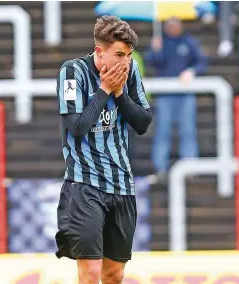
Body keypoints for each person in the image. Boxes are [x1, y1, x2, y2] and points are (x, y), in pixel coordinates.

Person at [54, 15, 152, 284]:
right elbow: (77, 126)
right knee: (91, 272)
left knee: (114, 274)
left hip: (122, 185)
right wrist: (105, 90)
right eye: (119, 54)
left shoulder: (130, 72)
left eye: (129, 55)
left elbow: (143, 122)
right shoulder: (72, 72)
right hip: (85, 186)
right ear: (100, 51)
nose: (125, 61)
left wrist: (120, 94)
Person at [146, 17, 207, 183]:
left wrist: (192, 71)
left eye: (176, 25)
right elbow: (152, 62)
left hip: (185, 93)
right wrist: (155, 49)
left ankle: (191, 165)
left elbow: (202, 62)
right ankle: (160, 168)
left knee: (188, 130)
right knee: (162, 131)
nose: (173, 28)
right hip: (165, 94)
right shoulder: (160, 42)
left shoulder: (189, 42)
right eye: (170, 25)